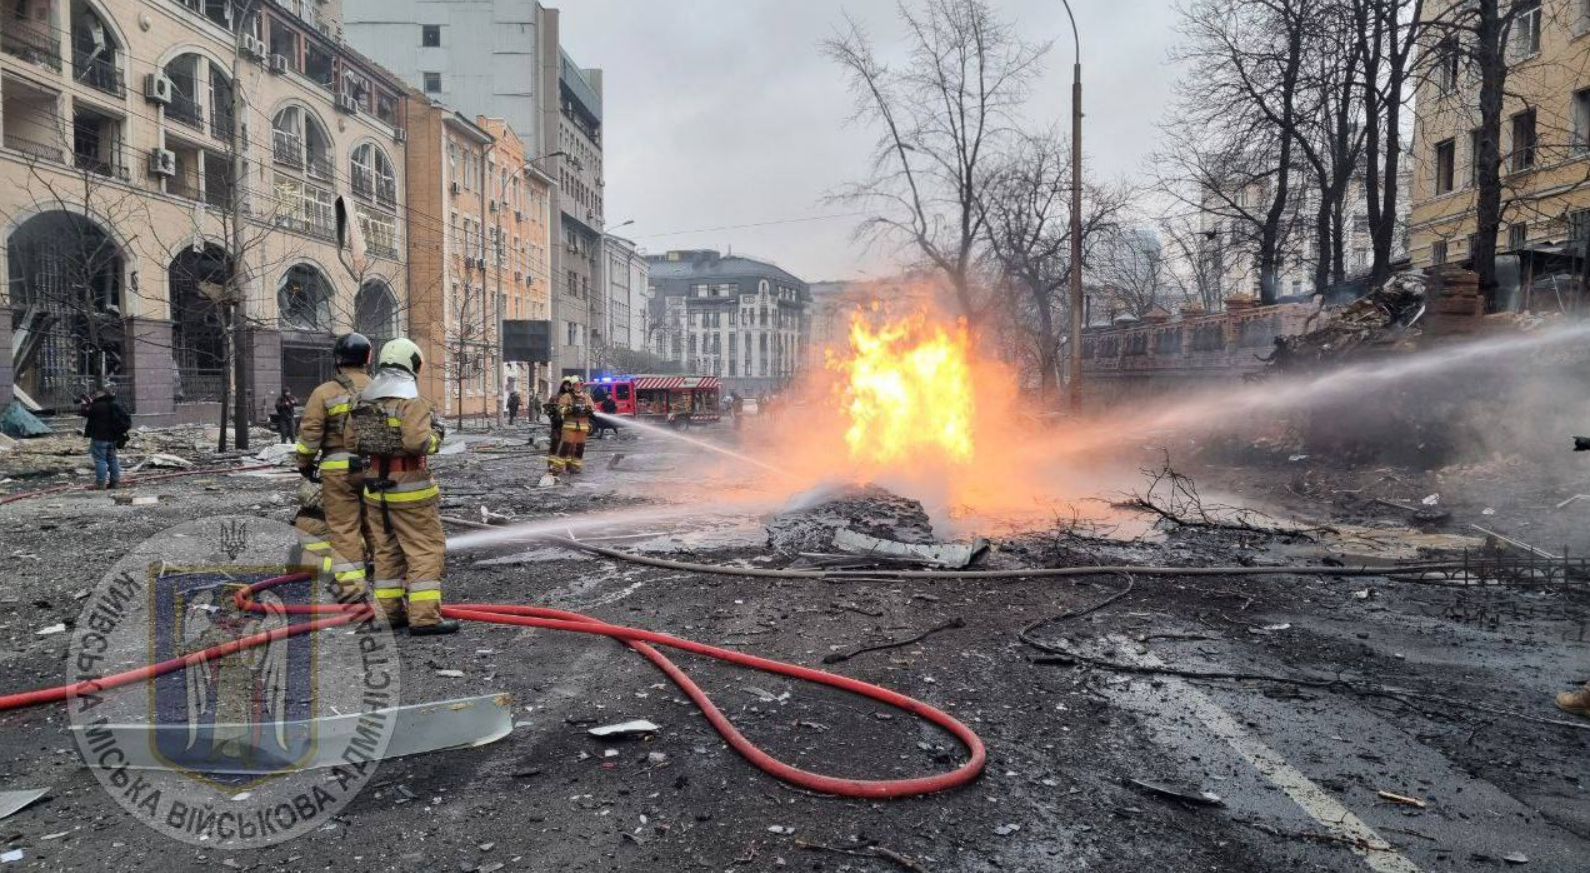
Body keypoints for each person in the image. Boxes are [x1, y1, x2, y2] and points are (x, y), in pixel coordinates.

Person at [359, 338, 458, 636]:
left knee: (387, 551)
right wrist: (436, 439)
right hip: (410, 489)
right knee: (425, 550)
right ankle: (425, 617)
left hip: (376, 489)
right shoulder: (411, 403)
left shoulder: (365, 401)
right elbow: (417, 442)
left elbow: (354, 441)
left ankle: (388, 614)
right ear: (412, 365)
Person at [293, 333, 373, 603]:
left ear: (337, 360)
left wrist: (304, 465)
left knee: (344, 529)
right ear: (368, 359)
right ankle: (392, 588)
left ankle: (352, 590)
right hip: (376, 470)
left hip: (337, 470)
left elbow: (309, 436)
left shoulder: (324, 392)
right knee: (378, 528)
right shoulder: (381, 389)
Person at [82, 388, 131, 490]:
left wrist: (84, 404)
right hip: (113, 438)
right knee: (112, 459)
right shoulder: (114, 404)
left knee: (100, 460)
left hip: (99, 437)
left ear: (101, 395)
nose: (94, 395)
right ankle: (115, 482)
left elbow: (85, 413)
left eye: (96, 394)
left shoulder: (97, 406)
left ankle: (100, 483)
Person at [550, 376, 594, 475]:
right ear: (572, 386)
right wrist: (570, 409)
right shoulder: (567, 396)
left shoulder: (586, 396)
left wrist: (589, 410)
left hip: (583, 428)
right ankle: (557, 468)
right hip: (569, 427)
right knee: (565, 448)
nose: (578, 386)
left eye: (580, 384)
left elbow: (592, 407)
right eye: (576, 385)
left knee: (580, 449)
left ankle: (576, 467)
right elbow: (560, 409)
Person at [542, 382, 568, 455]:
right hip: (556, 421)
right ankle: (554, 453)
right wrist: (551, 416)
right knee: (556, 438)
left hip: (565, 422)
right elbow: (548, 408)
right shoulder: (554, 397)